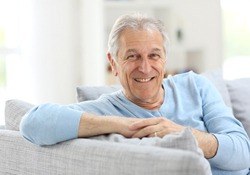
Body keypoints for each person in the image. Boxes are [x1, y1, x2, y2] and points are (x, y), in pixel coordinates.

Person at [20, 13, 250, 174]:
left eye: (154, 55)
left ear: (165, 58)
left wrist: (185, 134)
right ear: (113, 62)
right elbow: (32, 122)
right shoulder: (103, 110)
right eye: (132, 56)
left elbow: (242, 152)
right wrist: (122, 125)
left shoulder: (195, 85)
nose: (145, 68)